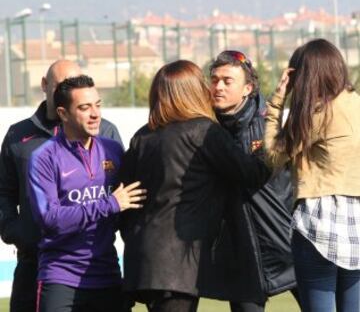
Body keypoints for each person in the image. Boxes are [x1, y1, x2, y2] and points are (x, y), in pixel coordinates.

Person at [118, 60, 271, 312]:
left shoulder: (142, 136)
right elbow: (251, 173)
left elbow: (125, 199)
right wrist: (269, 143)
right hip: (177, 266)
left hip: (144, 259)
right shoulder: (204, 131)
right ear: (191, 91)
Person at [0, 60, 123, 312]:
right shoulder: (19, 136)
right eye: (62, 85)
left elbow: (124, 197)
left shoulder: (108, 135)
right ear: (47, 87)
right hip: (40, 262)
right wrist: (18, 233)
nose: (93, 112)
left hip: (101, 266)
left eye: (96, 104)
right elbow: (4, 193)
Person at [27, 75, 146, 312]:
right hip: (60, 277)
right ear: (63, 113)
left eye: (98, 105)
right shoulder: (43, 157)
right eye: (84, 107)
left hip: (108, 276)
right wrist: (109, 204)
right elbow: (49, 219)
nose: (95, 114)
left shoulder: (112, 150)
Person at [264, 38, 360, 312]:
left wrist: (276, 103)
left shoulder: (317, 112)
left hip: (319, 218)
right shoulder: (356, 103)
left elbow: (273, 155)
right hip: (356, 217)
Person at [208, 50, 299, 312]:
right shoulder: (205, 130)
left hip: (286, 245)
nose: (218, 87)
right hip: (241, 256)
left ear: (247, 88)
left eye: (227, 80)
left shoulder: (269, 126)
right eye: (214, 80)